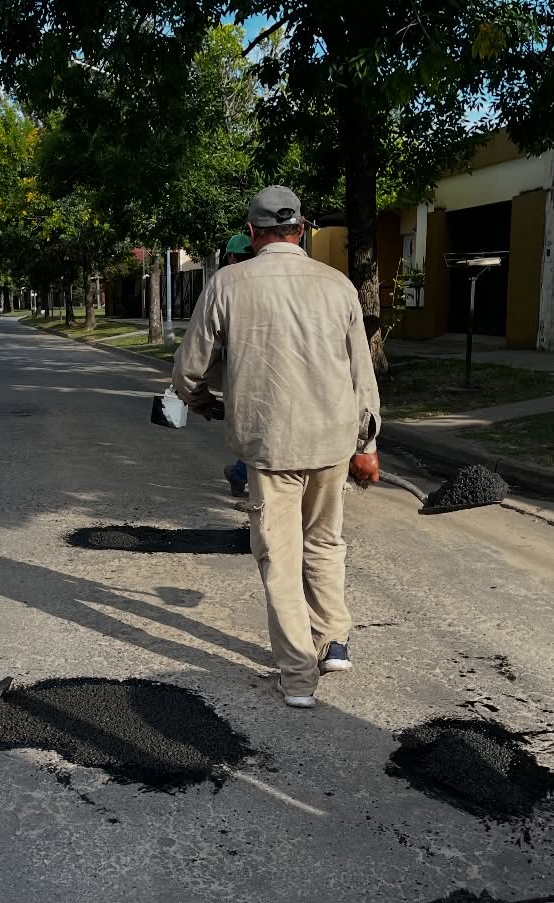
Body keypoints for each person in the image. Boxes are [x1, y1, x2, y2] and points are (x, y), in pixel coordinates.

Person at [172, 186, 381, 709]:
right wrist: (368, 441)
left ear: (253, 232)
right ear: (302, 228)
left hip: (271, 445)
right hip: (333, 440)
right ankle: (333, 639)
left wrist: (205, 404)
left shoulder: (228, 283)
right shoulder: (338, 285)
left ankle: (298, 677)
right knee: (325, 541)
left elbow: (188, 369)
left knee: (279, 558)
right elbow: (363, 373)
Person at [218, 233, 256, 499]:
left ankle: (241, 473)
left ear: (231, 257)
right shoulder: (266, 280)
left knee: (250, 425)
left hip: (242, 367)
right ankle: (241, 472)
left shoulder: (226, 284)